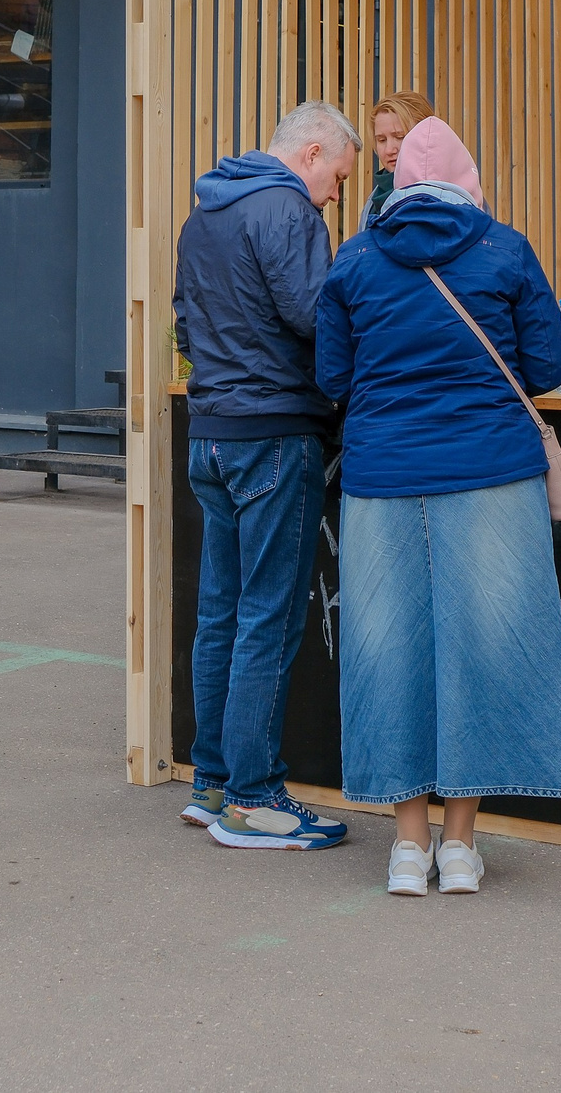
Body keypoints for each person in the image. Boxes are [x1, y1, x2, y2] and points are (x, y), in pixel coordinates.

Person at [315, 117, 561, 897]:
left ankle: (405, 846)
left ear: (397, 184)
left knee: (388, 647)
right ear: (466, 180)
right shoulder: (505, 249)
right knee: (483, 645)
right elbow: (551, 366)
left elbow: (333, 375)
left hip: (382, 479)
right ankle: (459, 847)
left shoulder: (355, 258)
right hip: (493, 475)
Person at [173, 100, 360, 850]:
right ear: (312, 153)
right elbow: (321, 318)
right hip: (275, 435)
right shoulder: (287, 211)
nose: (338, 195)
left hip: (211, 432)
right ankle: (254, 800)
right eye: (339, 176)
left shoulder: (204, 215)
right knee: (269, 617)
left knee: (220, 610)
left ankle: (213, 780)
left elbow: (185, 326)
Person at [363, 91, 436, 223]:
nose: (389, 150)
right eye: (381, 140)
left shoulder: (452, 193)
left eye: (399, 137)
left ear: (425, 137)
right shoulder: (373, 200)